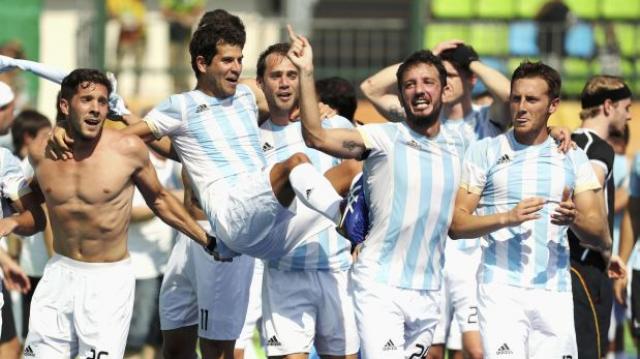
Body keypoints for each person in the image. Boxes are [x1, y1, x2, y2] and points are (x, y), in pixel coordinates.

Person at [288, 25, 467, 358]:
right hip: (380, 287)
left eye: (428, 82)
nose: (419, 90)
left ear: (445, 89)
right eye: (409, 85)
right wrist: (306, 72)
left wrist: (557, 131)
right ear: (400, 95)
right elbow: (315, 136)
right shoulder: (381, 138)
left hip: (429, 291)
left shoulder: (462, 143)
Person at [14, 68, 211, 359]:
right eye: (87, 100)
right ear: (65, 106)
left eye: (102, 101)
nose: (96, 108)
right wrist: (11, 219)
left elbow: (160, 199)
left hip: (106, 283)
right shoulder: (42, 152)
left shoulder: (127, 149)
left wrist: (207, 240)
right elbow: (29, 197)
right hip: (58, 273)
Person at [448, 61, 613, 358]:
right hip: (499, 290)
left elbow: (602, 236)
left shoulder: (572, 157)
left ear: (554, 105)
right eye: (516, 98)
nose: (521, 107)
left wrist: (574, 219)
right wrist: (506, 218)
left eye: (532, 99)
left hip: (554, 292)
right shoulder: (484, 151)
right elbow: (457, 225)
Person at [256, 42, 360, 359]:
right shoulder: (253, 141)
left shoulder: (335, 126)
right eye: (276, 75)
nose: (285, 82)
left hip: (336, 270)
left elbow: (362, 174)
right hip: (284, 274)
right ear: (260, 83)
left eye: (293, 74)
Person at [569, 75, 631, 359]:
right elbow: (586, 202)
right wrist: (606, 249)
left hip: (565, 266)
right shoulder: (600, 149)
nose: (629, 115)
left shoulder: (566, 141)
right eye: (625, 107)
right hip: (585, 270)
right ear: (608, 106)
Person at [125, 148, 182, 359]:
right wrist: (166, 200)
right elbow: (127, 213)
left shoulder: (176, 164)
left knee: (158, 337)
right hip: (140, 269)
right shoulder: (138, 162)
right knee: (134, 340)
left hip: (168, 267)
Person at [9, 109, 53, 341]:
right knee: (33, 339)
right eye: (46, 132)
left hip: (38, 265)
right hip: (38, 266)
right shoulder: (30, 163)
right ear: (29, 137)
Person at [160, 0, 204, 92]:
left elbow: (198, 10)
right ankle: (175, 88)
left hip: (187, 38)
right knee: (173, 63)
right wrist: (182, 17)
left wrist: (183, 17)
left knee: (186, 62)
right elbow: (165, 12)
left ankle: (186, 89)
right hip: (173, 38)